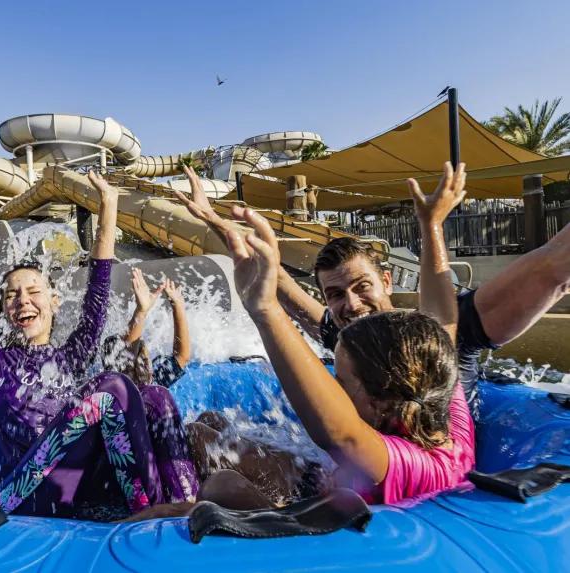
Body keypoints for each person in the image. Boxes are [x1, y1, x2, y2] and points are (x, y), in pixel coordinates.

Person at [0, 121, 198, 518]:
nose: (23, 300)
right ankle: (150, 510)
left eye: (33, 291)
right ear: (4, 310)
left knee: (154, 395)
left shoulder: (71, 359)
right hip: (16, 494)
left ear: (53, 301)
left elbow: (98, 289)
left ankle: (187, 506)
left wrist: (109, 207)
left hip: (75, 486)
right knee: (113, 387)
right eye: (12, 295)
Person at [128, 163, 471, 515]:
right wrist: (431, 226)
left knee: (220, 486)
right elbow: (443, 321)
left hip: (321, 518)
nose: (351, 305)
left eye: (341, 381)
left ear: (380, 398)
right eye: (336, 293)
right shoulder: (437, 387)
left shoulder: (416, 464)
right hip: (331, 479)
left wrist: (264, 310)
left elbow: (341, 433)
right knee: (209, 424)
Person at [176, 165, 570, 408]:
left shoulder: (449, 334)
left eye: (361, 287)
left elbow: (553, 265)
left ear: (387, 281)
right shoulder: (346, 336)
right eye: (335, 294)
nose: (351, 304)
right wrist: (213, 217)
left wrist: (431, 224)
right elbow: (274, 274)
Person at [102, 268, 190, 388]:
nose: (147, 364)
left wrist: (178, 306)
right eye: (143, 360)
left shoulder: (153, 383)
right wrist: (141, 312)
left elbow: (182, 356)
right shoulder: (116, 387)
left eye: (146, 360)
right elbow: (126, 356)